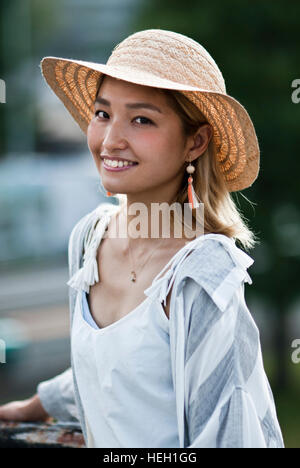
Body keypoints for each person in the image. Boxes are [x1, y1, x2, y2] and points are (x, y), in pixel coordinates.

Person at [0, 29, 285, 448]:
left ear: (195, 141)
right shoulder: (89, 239)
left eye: (141, 119)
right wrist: (36, 406)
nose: (111, 140)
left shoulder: (201, 275)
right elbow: (117, 369)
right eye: (102, 114)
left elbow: (228, 434)